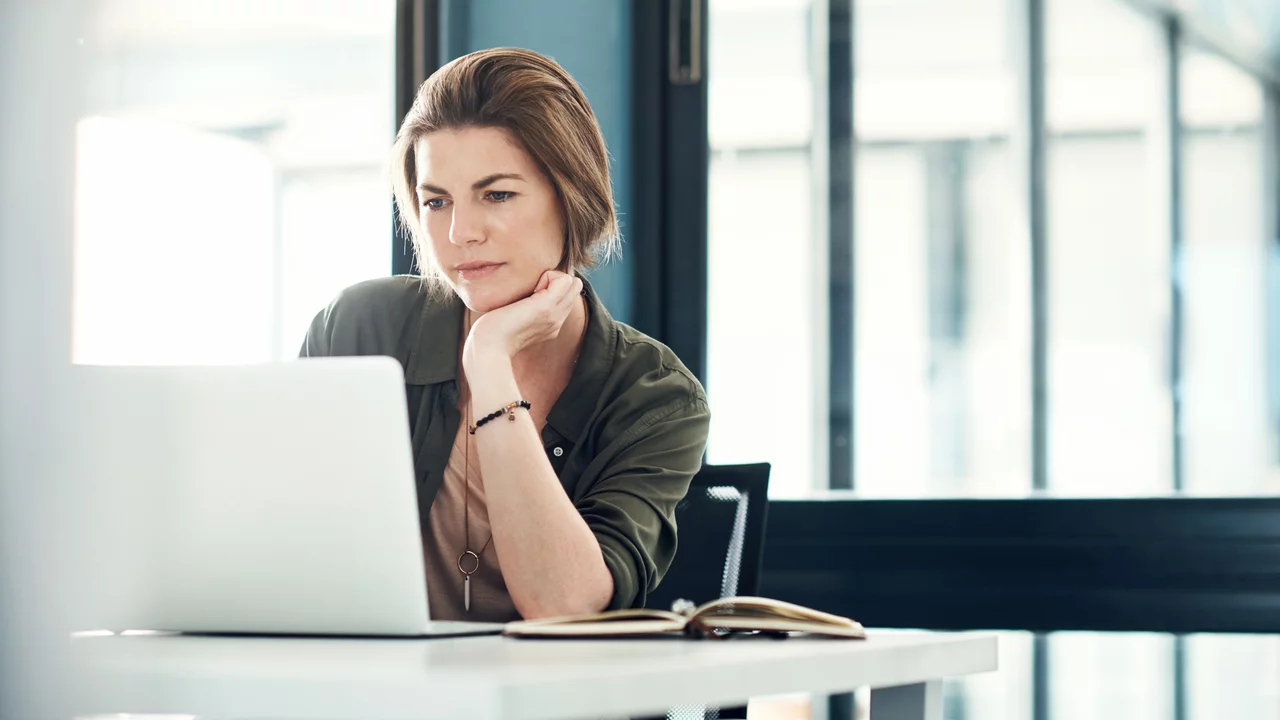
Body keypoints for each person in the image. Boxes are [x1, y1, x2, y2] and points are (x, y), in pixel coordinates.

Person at [300, 47, 710, 622]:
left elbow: (562, 605)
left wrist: (489, 363)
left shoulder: (655, 396)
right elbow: (283, 544)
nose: (460, 233)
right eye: (436, 202)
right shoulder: (361, 328)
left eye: (497, 195)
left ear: (571, 199)